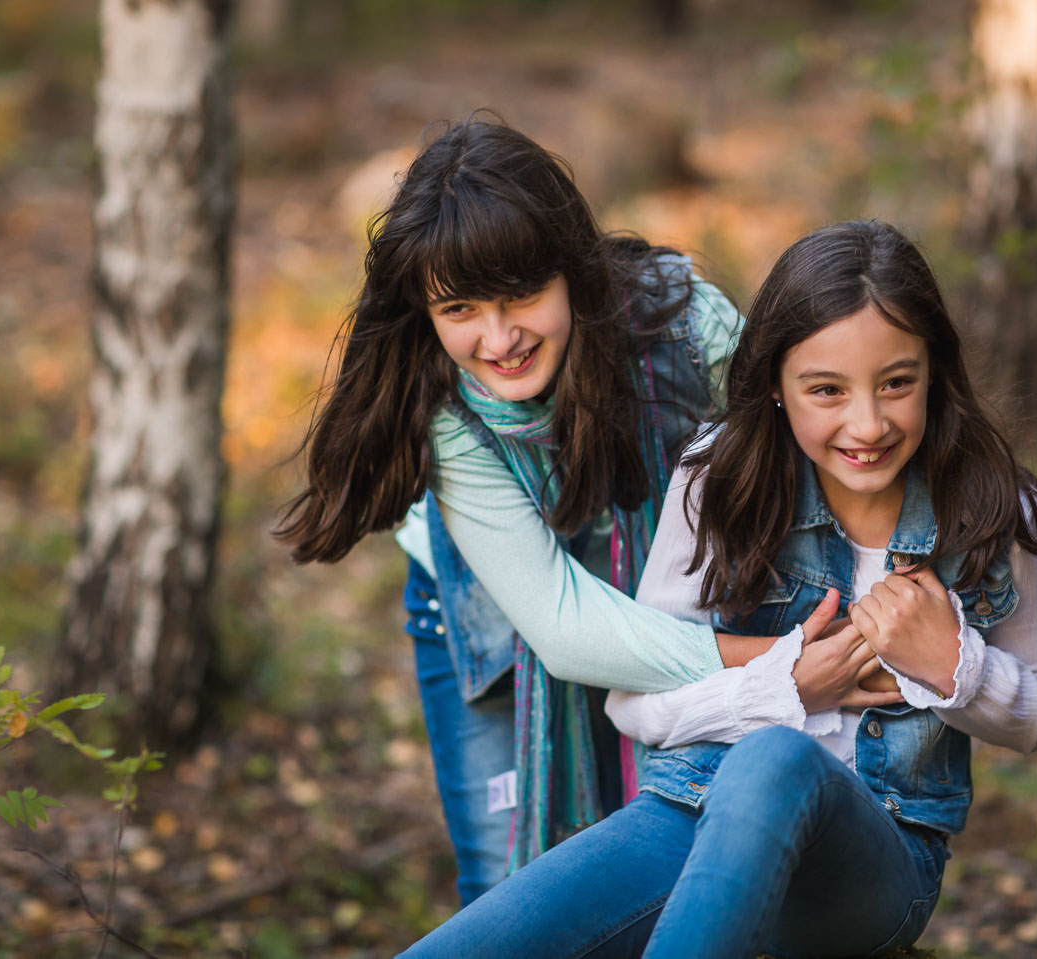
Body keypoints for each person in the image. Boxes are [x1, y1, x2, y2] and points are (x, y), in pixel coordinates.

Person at [395, 219, 1037, 959]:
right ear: (776, 387)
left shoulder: (990, 507)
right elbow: (634, 702)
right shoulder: (720, 478)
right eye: (826, 390)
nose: (867, 422)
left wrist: (953, 661)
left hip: (874, 857)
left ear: (935, 375)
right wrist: (783, 685)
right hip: (690, 808)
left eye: (897, 383)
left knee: (774, 758)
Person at [276, 116, 841, 905]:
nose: (499, 337)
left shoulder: (685, 326)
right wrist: (777, 660)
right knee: (512, 893)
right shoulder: (445, 407)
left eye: (521, 295)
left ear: (571, 270)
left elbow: (802, 470)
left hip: (672, 601)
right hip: (497, 618)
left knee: (675, 861)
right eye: (461, 309)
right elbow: (566, 625)